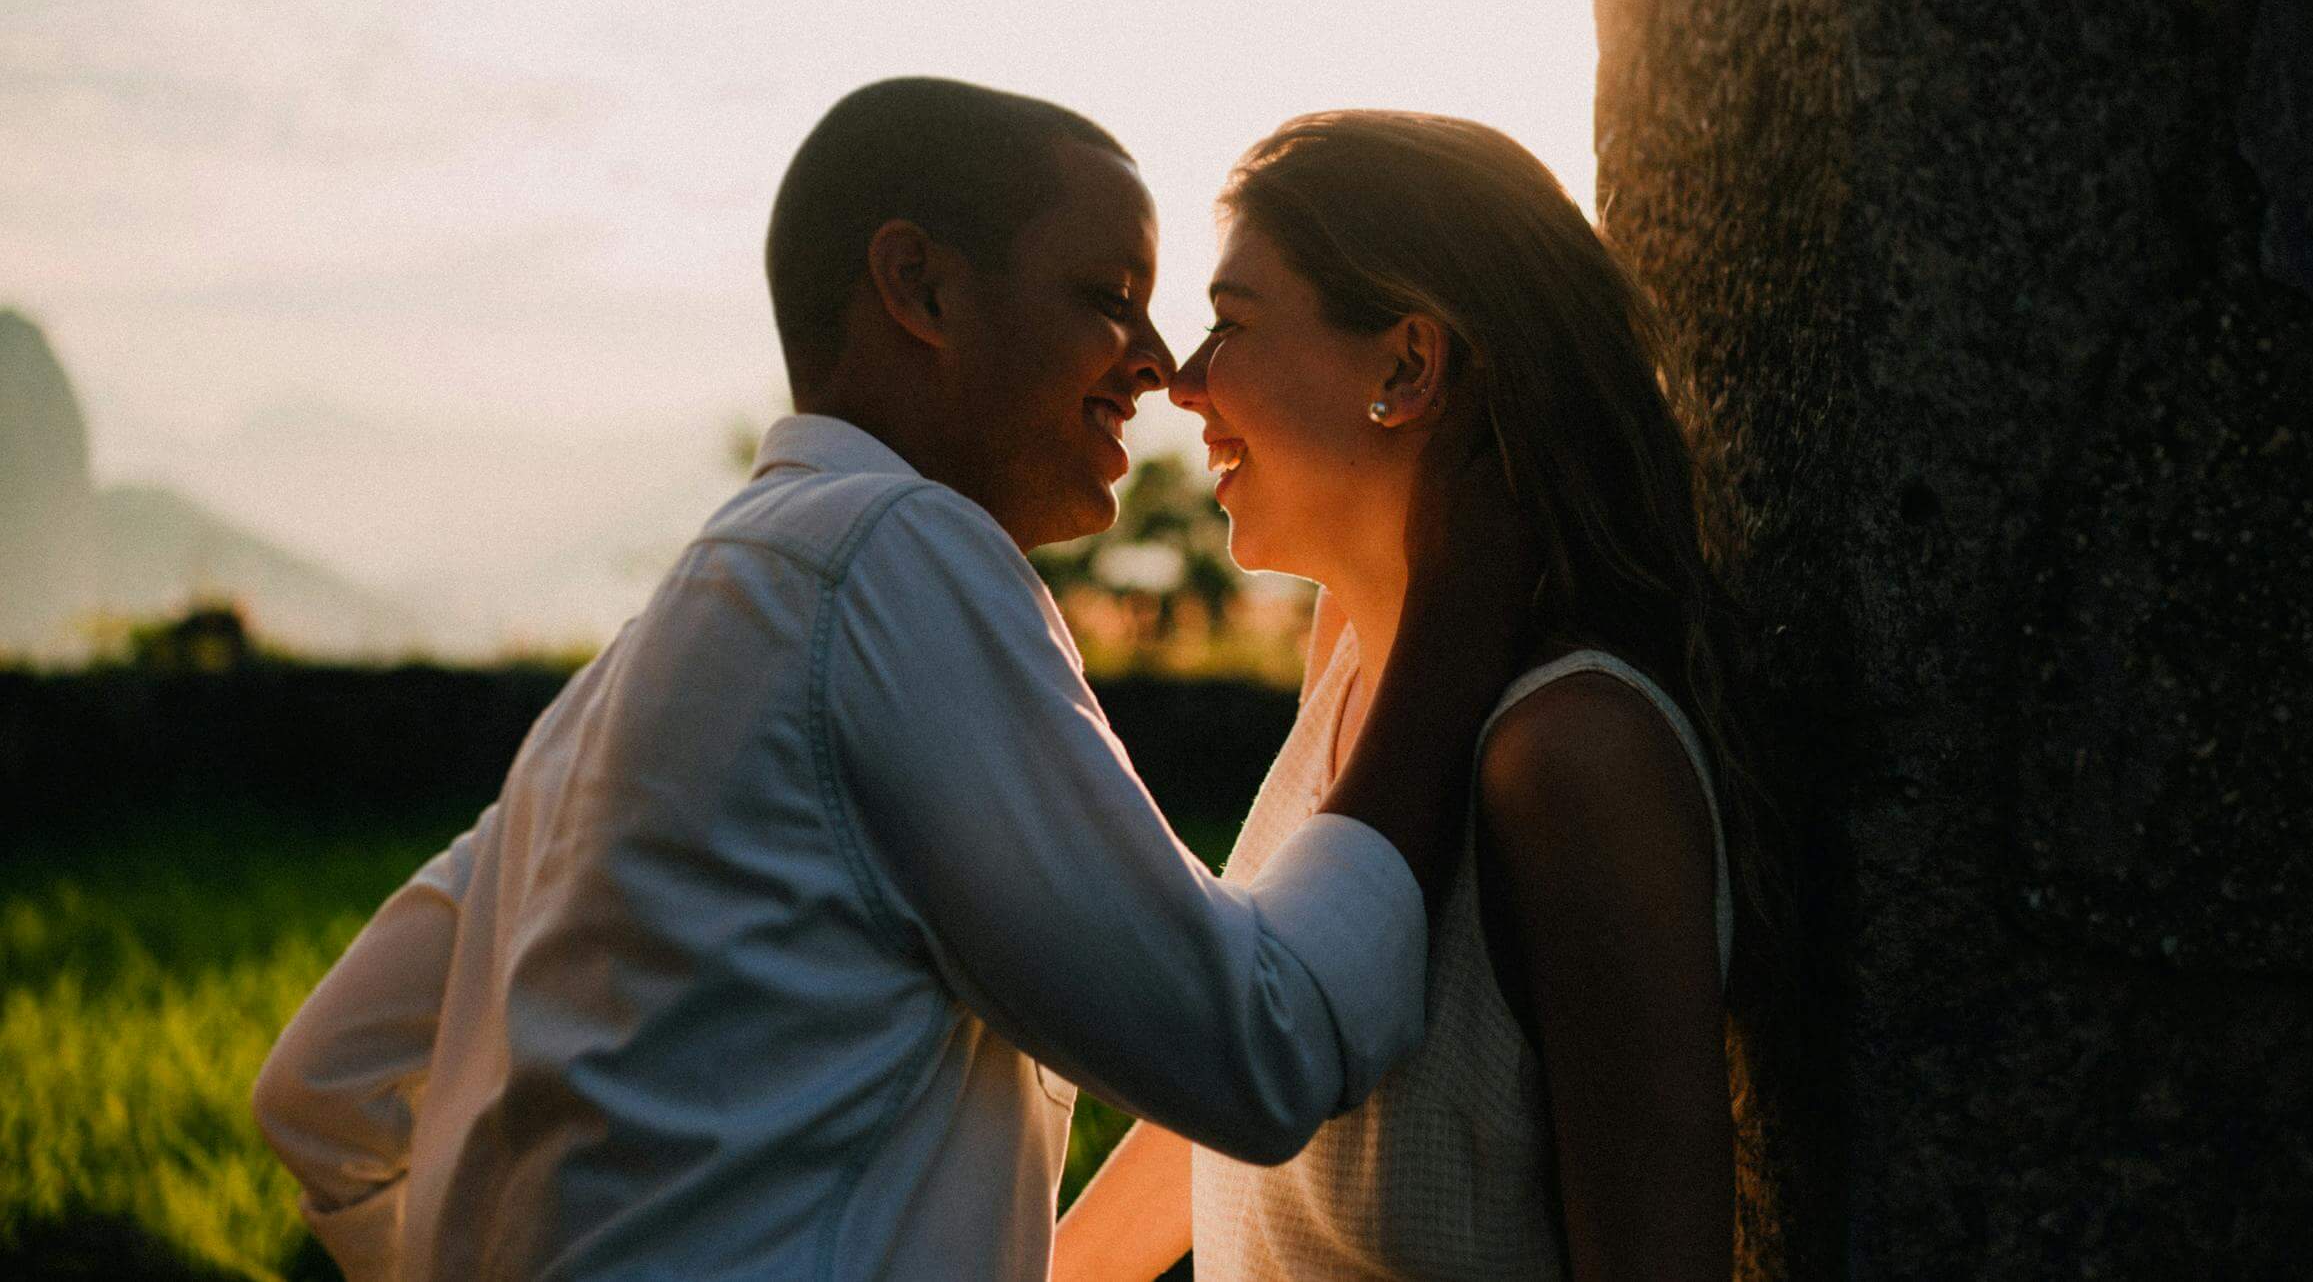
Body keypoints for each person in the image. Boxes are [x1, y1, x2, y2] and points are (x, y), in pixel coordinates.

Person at [250, 79, 1532, 1282]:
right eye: (1108, 292)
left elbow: (319, 1091)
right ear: (917, 284)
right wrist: (1449, 625)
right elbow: (1261, 1047)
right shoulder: (889, 555)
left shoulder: (636, 672)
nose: (1157, 362)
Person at [1055, 111, 1770, 1281]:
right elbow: (1241, 1101)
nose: (1182, 380)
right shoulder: (1352, 660)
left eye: (1230, 323)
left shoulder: (1573, 755)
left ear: (1406, 365)